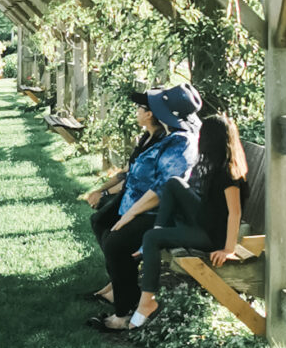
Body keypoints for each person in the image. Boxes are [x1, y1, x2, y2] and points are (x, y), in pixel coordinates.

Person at [85, 85, 202, 331]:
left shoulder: (182, 142)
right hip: (141, 204)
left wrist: (130, 213)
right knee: (105, 227)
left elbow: (163, 189)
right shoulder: (170, 136)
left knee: (116, 243)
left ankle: (123, 314)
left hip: (164, 214)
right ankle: (123, 293)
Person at [119, 113, 249, 334]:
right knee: (173, 184)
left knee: (151, 238)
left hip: (211, 236)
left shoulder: (228, 173)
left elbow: (234, 213)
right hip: (203, 222)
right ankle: (159, 232)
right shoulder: (211, 166)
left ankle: (146, 303)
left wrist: (228, 249)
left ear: (211, 139)